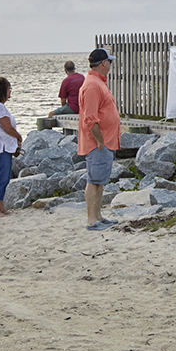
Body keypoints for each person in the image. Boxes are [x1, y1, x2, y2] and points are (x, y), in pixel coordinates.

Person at [78, 48, 121, 230]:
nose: (111, 64)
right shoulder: (93, 85)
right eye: (109, 61)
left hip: (104, 142)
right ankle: (92, 220)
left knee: (100, 180)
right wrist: (100, 141)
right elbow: (90, 118)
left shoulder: (98, 82)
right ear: (103, 63)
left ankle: (98, 216)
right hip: (97, 143)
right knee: (94, 180)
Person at [0, 77, 23, 219]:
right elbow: (7, 127)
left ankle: (1, 208)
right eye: (9, 89)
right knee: (0, 177)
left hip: (4, 146)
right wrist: (18, 136)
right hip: (1, 147)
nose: (10, 92)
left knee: (5, 177)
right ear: (3, 90)